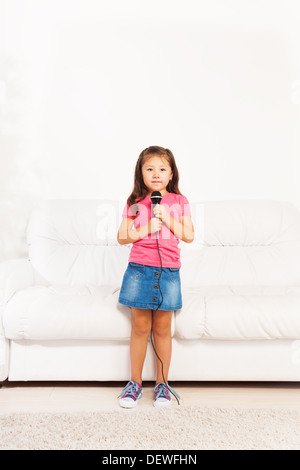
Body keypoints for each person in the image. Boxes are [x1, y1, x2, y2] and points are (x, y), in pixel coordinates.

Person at [117, 145, 194, 408]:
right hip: (140, 270)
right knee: (140, 328)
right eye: (149, 169)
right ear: (141, 173)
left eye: (162, 169)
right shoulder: (135, 202)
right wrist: (146, 227)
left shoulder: (179, 202)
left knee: (162, 329)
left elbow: (189, 235)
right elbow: (121, 237)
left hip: (169, 273)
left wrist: (167, 219)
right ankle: (134, 383)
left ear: (171, 174)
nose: (156, 174)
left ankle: (162, 384)